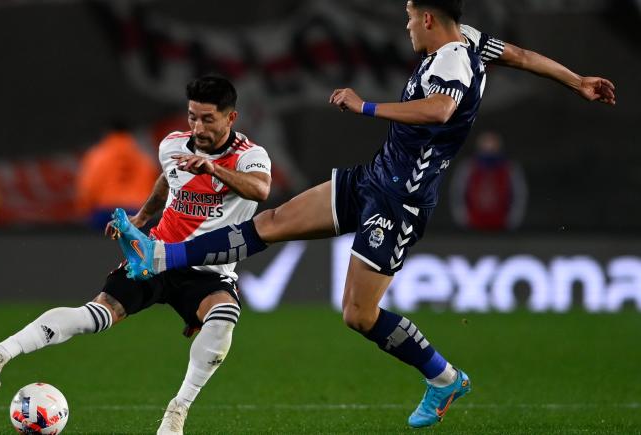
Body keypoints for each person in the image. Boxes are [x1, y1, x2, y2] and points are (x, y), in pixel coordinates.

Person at [112, 0, 616, 429]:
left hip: (401, 201)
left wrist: (365, 107)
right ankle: (161, 254)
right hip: (376, 178)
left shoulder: (451, 64)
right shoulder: (468, 39)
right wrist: (577, 81)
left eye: (409, 15)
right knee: (272, 222)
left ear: (428, 20)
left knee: (359, 314)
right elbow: (522, 55)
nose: (405, 25)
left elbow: (439, 110)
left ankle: (443, 379)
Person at [0, 76, 272, 435]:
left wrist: (213, 168)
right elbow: (167, 180)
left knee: (223, 316)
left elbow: (261, 189)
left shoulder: (250, 156)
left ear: (230, 118)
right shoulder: (173, 145)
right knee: (96, 315)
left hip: (208, 270)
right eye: (192, 117)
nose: (197, 127)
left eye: (207, 119)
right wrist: (143, 217)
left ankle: (177, 412)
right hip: (155, 257)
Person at [75, 124, 160, 230]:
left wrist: (84, 210)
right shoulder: (143, 156)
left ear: (107, 133)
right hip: (137, 213)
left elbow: (88, 187)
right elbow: (156, 187)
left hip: (106, 212)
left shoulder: (98, 154)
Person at [449, 131, 528, 231]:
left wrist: (512, 219)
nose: (489, 149)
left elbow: (519, 194)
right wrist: (463, 218)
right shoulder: (468, 167)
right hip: (474, 223)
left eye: (493, 145)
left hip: (501, 224)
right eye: (486, 144)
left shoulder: (510, 168)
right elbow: (458, 193)